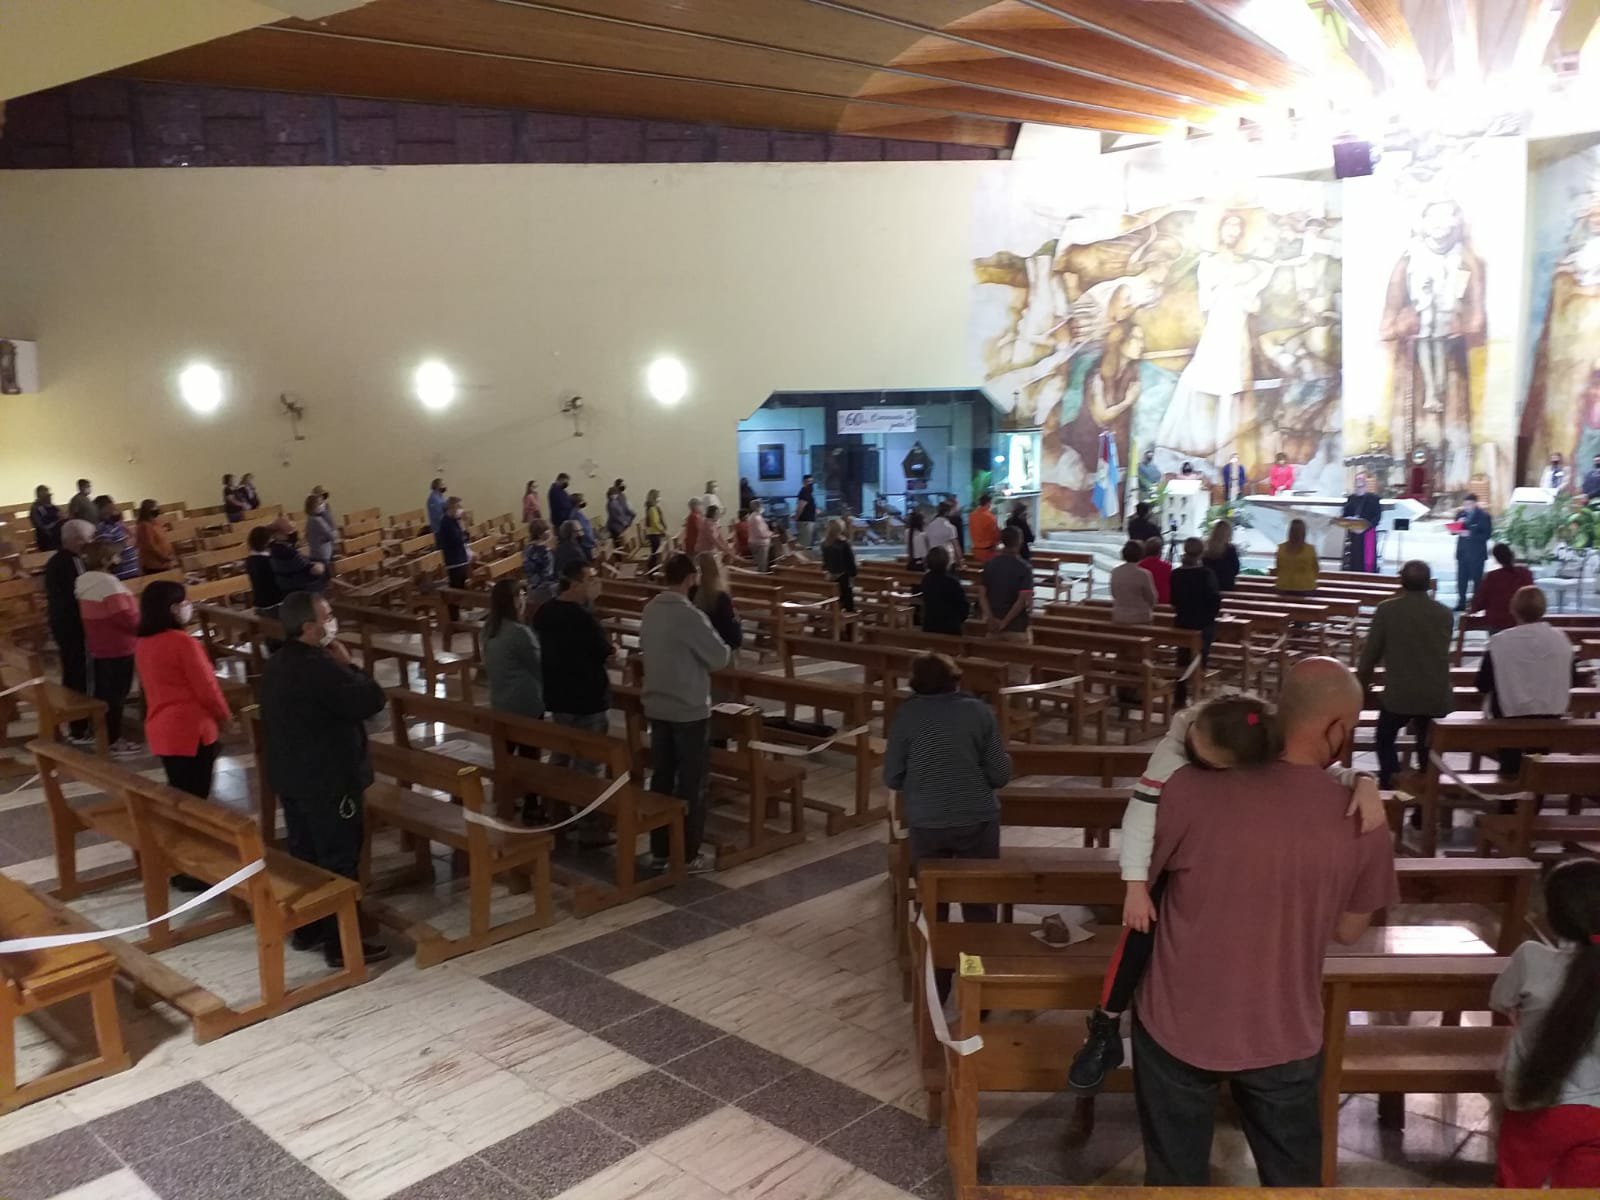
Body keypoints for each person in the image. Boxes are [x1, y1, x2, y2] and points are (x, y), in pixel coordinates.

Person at [1129, 658, 1398, 1185]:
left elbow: (1143, 868)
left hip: (1178, 1017)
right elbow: (1348, 931)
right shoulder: (1364, 817)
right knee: (1292, 1180)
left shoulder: (1191, 787)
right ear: (1337, 729)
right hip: (1283, 1025)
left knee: (1173, 1180)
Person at [1068, 693, 1386, 1092]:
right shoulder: (1174, 754)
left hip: (1240, 887)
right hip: (1168, 862)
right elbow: (1138, 817)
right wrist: (1135, 885)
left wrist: (1361, 780)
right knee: (1140, 931)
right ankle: (1106, 1023)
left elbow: (1319, 770)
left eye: (1211, 765)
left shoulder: (1259, 735)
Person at [259, 591, 389, 966]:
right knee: (339, 859)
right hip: (329, 781)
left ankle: (309, 927)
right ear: (309, 627)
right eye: (327, 616)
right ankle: (343, 944)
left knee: (304, 855)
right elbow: (370, 700)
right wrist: (351, 666)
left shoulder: (277, 662)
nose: (332, 621)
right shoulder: (320, 667)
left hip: (292, 777)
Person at [883, 652, 1012, 1000]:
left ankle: (935, 985)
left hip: (928, 820)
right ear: (955, 680)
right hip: (977, 818)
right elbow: (999, 774)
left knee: (931, 904)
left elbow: (892, 776)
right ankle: (979, 989)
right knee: (979, 903)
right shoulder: (979, 712)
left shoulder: (907, 715)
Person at [1492, 857, 1600, 1189]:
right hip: (1597, 1112)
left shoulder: (1530, 958)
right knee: (1581, 1190)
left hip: (1536, 1102)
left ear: (1552, 917)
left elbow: (1500, 1001)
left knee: (1518, 1184)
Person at [135, 579, 231, 888]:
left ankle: (179, 864)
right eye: (184, 602)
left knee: (179, 800)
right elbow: (207, 688)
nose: (189, 607)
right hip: (191, 730)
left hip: (163, 729)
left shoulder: (144, 643)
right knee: (196, 804)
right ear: (173, 608)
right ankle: (194, 871)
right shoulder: (182, 642)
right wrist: (225, 716)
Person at [641, 553, 731, 874]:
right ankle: (689, 854)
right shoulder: (690, 615)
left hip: (657, 704)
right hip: (688, 708)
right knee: (692, 783)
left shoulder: (651, 609)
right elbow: (719, 657)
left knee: (662, 779)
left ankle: (659, 851)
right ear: (691, 578)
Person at [1357, 559, 1453, 790]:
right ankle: (1425, 795)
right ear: (1429, 583)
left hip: (1400, 693)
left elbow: (1371, 654)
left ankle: (1392, 783)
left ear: (1401, 581)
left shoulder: (1387, 610)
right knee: (1427, 746)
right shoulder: (1444, 613)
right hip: (1435, 693)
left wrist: (1361, 685)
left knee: (1384, 738)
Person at [1477, 585, 1579, 778]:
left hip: (1509, 717)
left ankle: (1509, 784)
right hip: (1550, 714)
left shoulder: (1499, 641)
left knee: (1510, 761)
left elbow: (1482, 683)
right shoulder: (1560, 639)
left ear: (1513, 609)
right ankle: (1537, 787)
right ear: (1543, 609)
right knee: (1538, 760)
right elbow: (1573, 679)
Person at [533, 561, 615, 774]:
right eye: (590, 579)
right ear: (575, 585)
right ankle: (585, 797)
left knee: (562, 752)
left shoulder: (545, 611)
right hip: (587, 699)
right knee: (590, 762)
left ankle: (556, 794)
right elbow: (605, 652)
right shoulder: (584, 618)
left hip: (558, 696)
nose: (595, 583)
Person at [75, 539, 141, 756]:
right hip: (119, 645)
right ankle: (113, 739)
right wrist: (144, 625)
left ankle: (103, 735)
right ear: (105, 560)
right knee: (117, 695)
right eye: (115, 556)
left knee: (104, 693)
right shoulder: (108, 584)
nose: (119, 559)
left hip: (100, 644)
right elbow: (125, 617)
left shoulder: (84, 581)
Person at [44, 519, 95, 741]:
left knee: (73, 671)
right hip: (73, 624)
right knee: (79, 673)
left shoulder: (57, 560)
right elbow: (80, 593)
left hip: (63, 622)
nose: (91, 542)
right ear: (77, 540)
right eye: (89, 538)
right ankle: (80, 725)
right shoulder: (72, 562)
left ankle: (77, 723)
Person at [484, 578, 544, 722]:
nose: (525, 599)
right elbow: (540, 668)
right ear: (516, 601)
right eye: (523, 595)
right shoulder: (519, 632)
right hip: (524, 705)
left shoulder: (488, 628)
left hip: (499, 702)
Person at [1170, 537, 1220, 709]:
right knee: (1201, 657)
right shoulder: (1206, 574)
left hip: (1182, 621)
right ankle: (1199, 697)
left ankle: (1180, 696)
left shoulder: (1176, 574)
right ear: (1201, 552)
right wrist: (1211, 616)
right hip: (1203, 623)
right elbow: (1214, 601)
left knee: (1181, 658)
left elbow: (1173, 600)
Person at [979, 527, 1033, 641]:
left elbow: (982, 595)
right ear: (1020, 541)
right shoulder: (1024, 568)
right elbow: (1023, 600)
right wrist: (1004, 623)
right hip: (1017, 626)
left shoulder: (989, 564)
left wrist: (990, 619)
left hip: (993, 625)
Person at [1470, 543, 1535, 632]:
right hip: (1523, 622)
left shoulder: (1492, 577)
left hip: (1498, 624)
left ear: (1497, 559)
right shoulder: (1525, 574)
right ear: (1512, 554)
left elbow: (1480, 601)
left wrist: (1472, 608)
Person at [1453, 492, 1493, 611]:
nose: (1466, 507)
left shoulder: (1484, 516)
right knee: (1461, 579)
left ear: (1475, 504)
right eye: (1465, 504)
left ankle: (1476, 604)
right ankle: (1461, 602)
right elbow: (1454, 531)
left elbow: (1487, 535)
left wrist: (1470, 534)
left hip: (1477, 554)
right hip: (1462, 552)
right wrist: (1457, 525)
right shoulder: (1461, 514)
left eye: (1469, 504)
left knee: (1477, 580)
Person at [694, 552, 742, 650]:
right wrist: (737, 621)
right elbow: (732, 633)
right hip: (720, 646)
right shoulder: (721, 597)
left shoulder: (692, 593)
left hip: (698, 643)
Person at [916, 546, 968, 636]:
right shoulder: (952, 582)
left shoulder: (926, 579)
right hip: (950, 628)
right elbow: (963, 607)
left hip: (930, 625)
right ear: (947, 561)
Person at [268, 516, 326, 595]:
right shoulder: (285, 551)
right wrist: (320, 565)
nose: (293, 534)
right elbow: (309, 569)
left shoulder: (275, 547)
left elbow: (300, 562)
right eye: (289, 532)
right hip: (297, 589)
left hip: (288, 587)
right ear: (277, 534)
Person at [1340, 472, 1381, 572]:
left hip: (1368, 533)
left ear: (1365, 483)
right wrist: (1349, 522)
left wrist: (1367, 526)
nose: (1359, 482)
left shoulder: (1374, 498)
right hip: (1354, 534)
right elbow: (1345, 514)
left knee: (1368, 561)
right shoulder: (1351, 498)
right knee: (1355, 559)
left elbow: (1377, 516)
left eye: (1361, 479)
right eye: (1357, 480)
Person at [1110, 539, 1157, 625]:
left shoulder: (1115, 572)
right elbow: (1152, 599)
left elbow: (1114, 594)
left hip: (1119, 616)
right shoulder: (1144, 574)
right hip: (1140, 618)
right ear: (1141, 554)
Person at [94, 496, 139, 580]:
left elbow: (132, 539)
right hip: (124, 576)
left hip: (134, 572)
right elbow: (108, 556)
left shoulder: (117, 525)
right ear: (104, 509)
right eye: (111, 505)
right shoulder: (104, 530)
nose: (115, 508)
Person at [435, 495, 471, 594]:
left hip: (461, 559)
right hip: (454, 562)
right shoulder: (446, 523)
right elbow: (458, 540)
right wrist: (462, 525)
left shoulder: (454, 520)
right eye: (458, 507)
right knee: (456, 591)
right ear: (451, 508)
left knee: (462, 589)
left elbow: (466, 538)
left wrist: (464, 525)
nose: (460, 509)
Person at [244, 525, 283, 620]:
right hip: (274, 606)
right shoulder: (269, 561)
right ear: (267, 543)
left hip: (259, 605)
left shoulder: (250, 560)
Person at [821, 519, 858, 612]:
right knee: (847, 598)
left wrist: (827, 570)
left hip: (831, 574)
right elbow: (850, 561)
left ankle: (834, 613)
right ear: (841, 529)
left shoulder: (824, 543)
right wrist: (853, 574)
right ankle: (849, 617)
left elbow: (825, 561)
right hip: (843, 575)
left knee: (834, 596)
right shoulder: (844, 543)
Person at [1274, 518, 1318, 595]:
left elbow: (1278, 567)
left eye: (1298, 531)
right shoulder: (1310, 549)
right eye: (1295, 531)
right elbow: (1315, 568)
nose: (1296, 533)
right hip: (1294, 586)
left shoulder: (1281, 548)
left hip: (1300, 587)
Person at [134, 500, 178, 572]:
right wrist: (163, 556)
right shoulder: (144, 525)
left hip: (164, 562)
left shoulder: (155, 523)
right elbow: (150, 545)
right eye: (155, 507)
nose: (157, 509)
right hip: (154, 564)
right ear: (148, 510)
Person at [1201, 519, 1240, 591]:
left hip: (1206, 587)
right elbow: (1236, 569)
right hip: (1225, 586)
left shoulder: (1205, 547)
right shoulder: (1230, 549)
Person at [522, 519, 556, 602]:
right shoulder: (545, 551)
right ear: (540, 534)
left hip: (532, 587)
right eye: (546, 530)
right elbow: (549, 573)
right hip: (545, 589)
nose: (549, 532)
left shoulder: (527, 548)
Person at [304, 491, 336, 575]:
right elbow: (332, 535)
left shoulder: (310, 518)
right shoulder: (317, 520)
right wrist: (327, 515)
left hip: (315, 553)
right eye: (320, 503)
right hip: (322, 555)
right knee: (325, 578)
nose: (323, 505)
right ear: (314, 506)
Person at [1137, 536, 1172, 605]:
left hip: (1144, 601)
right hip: (1163, 602)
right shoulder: (1166, 567)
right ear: (1159, 551)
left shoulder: (1139, 566)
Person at [968, 493, 1001, 564]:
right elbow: (995, 534)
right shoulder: (990, 517)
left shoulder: (972, 515)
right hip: (988, 550)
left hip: (976, 550)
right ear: (988, 503)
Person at [29, 485, 60, 552]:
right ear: (40, 495)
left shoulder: (52, 507)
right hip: (46, 538)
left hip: (57, 536)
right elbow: (39, 525)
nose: (49, 497)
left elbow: (60, 514)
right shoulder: (36, 508)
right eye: (46, 494)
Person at [643, 489, 666, 570]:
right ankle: (651, 569)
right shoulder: (652, 509)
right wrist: (662, 530)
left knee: (655, 551)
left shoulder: (654, 508)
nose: (660, 498)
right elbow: (655, 523)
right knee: (655, 553)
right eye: (658, 496)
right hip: (654, 533)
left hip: (655, 533)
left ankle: (652, 568)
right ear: (654, 498)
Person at [747, 500, 772, 573]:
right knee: (762, 565)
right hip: (760, 544)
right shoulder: (757, 518)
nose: (763, 507)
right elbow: (761, 533)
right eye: (761, 505)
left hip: (754, 542)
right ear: (758, 507)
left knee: (759, 563)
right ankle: (763, 577)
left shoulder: (752, 516)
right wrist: (771, 534)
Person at [795, 474, 817, 549]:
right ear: (804, 482)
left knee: (806, 543)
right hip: (805, 522)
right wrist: (796, 517)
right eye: (808, 481)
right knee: (803, 544)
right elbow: (801, 506)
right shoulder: (804, 492)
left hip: (808, 521)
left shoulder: (808, 493)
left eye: (811, 481)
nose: (810, 483)